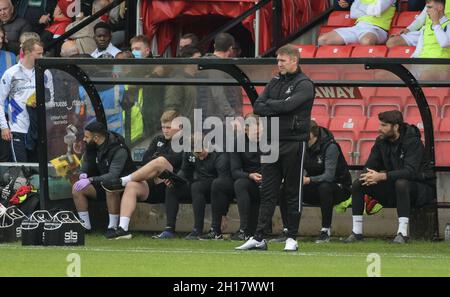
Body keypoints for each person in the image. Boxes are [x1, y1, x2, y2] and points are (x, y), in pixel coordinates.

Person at [235, 44, 315, 252]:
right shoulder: (275, 80)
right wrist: (278, 105)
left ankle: (292, 237)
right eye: (277, 60)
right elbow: (257, 106)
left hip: (294, 142)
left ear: (294, 60)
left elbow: (289, 106)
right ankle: (259, 237)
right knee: (268, 191)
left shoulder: (304, 84)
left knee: (291, 190)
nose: (278, 64)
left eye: (282, 60)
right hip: (271, 141)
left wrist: (273, 105)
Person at [345, 110, 435, 244]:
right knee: (359, 183)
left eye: (383, 125)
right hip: (394, 186)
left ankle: (402, 233)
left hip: (420, 189)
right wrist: (369, 176)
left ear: (396, 127)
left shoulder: (413, 142)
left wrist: (382, 176)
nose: (379, 129)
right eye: (380, 125)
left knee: (402, 183)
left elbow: (410, 172)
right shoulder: (381, 142)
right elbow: (370, 166)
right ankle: (357, 232)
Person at [100, 110, 184, 239]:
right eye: (163, 127)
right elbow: (146, 159)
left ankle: (122, 181)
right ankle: (123, 228)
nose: (165, 131)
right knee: (132, 186)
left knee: (160, 161)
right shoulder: (158, 140)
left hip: (173, 186)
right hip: (153, 185)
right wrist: (155, 161)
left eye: (169, 128)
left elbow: (175, 160)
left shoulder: (185, 141)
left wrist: (157, 158)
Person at [157, 133, 232, 240]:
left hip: (215, 187)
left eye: (201, 152)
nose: (199, 157)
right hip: (198, 186)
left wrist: (224, 213)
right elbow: (184, 172)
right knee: (172, 186)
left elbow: (223, 184)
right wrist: (174, 179)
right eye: (196, 154)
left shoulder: (219, 154)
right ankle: (169, 229)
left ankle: (198, 230)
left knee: (198, 186)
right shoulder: (189, 152)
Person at [72, 121, 136, 238]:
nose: (84, 140)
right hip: (100, 182)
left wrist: (90, 179)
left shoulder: (118, 149)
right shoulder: (91, 147)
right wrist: (82, 174)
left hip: (122, 186)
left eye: (87, 137)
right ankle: (85, 227)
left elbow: (113, 175)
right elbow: (86, 164)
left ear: (96, 138)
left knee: (109, 186)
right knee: (77, 188)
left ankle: (112, 227)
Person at [0, 39, 53, 162]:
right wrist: (4, 127)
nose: (42, 56)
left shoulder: (46, 73)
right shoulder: (11, 73)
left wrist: (40, 104)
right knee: (22, 169)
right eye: (39, 53)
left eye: (42, 53)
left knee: (38, 170)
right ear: (28, 52)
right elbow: (0, 102)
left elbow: (51, 103)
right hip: (18, 128)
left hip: (38, 128)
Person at [302, 120, 352, 243]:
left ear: (312, 134)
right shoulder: (303, 147)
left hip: (339, 188)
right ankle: (288, 231)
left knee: (325, 187)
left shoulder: (330, 147)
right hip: (315, 187)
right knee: (287, 188)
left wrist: (308, 180)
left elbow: (329, 176)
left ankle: (325, 230)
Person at [229, 113, 262, 241]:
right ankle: (244, 230)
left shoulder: (270, 142)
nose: (258, 133)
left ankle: (285, 231)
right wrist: (250, 175)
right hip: (250, 181)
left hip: (270, 181)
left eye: (260, 129)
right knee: (239, 183)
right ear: (246, 129)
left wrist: (269, 176)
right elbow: (235, 171)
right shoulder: (238, 143)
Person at [318, 0, 396, 46]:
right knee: (323, 39)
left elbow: (377, 10)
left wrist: (361, 7)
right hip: (358, 27)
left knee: (367, 41)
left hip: (377, 29)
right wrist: (370, 9)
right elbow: (353, 13)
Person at [164, 45, 201, 123]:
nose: (200, 62)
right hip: (183, 127)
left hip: (196, 125)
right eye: (197, 59)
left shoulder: (198, 79)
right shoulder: (177, 81)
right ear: (188, 61)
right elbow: (172, 106)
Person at [0, 24, 15, 162]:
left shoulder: (10, 57)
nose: (0, 40)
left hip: (7, 113)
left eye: (1, 37)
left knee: (6, 153)